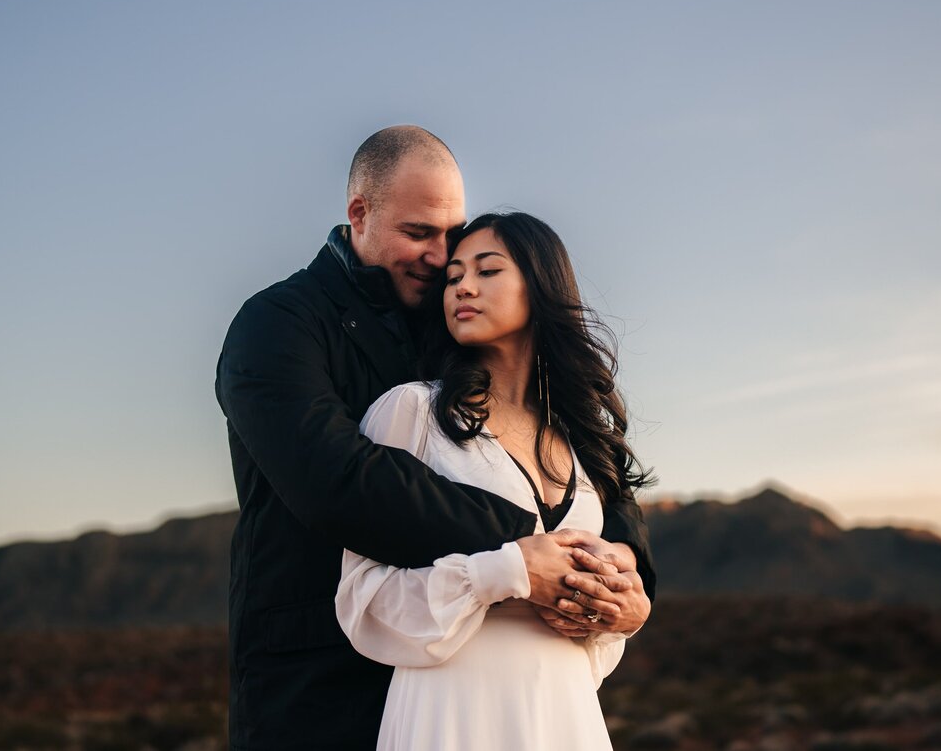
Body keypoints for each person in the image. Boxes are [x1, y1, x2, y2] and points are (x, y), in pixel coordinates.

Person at [215, 126, 655, 750]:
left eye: (452, 234)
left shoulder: (455, 327)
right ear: (359, 213)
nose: (442, 257)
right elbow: (338, 479)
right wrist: (535, 553)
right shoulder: (278, 325)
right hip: (317, 683)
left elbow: (591, 473)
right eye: (419, 233)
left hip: (482, 689)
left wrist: (630, 574)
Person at [336, 212, 651, 749]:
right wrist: (506, 572)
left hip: (566, 711)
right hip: (453, 711)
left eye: (487, 271)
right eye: (454, 276)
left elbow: (596, 625)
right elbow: (363, 599)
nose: (463, 286)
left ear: (541, 285)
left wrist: (624, 613)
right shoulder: (414, 411)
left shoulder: (581, 440)